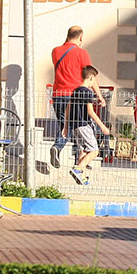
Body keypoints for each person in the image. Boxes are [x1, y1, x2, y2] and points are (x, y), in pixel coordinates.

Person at [50, 26, 103, 165]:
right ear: (81, 38)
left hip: (58, 95)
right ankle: (80, 160)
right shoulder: (82, 53)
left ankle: (59, 148)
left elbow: (64, 53)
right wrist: (99, 95)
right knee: (81, 126)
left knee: (64, 126)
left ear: (67, 36)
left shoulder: (55, 51)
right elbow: (90, 76)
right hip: (75, 96)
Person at [66, 65, 110, 186]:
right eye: (94, 79)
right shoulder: (88, 92)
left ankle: (83, 177)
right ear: (91, 78)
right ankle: (77, 169)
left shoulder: (76, 91)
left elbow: (68, 108)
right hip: (83, 125)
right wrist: (102, 126)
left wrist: (65, 127)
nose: (94, 82)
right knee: (94, 150)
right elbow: (90, 111)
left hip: (74, 126)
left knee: (83, 151)